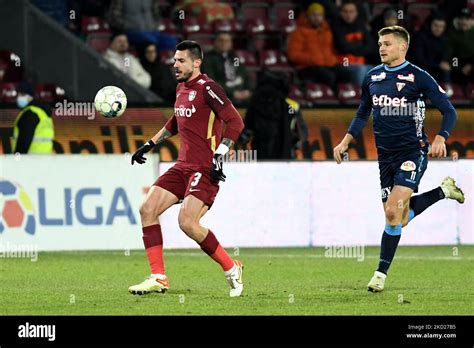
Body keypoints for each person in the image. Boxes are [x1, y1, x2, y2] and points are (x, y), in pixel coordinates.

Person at [333, 26, 465, 292]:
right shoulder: (372, 77)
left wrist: (441, 138)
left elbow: (449, 110)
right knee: (399, 219)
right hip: (385, 157)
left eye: (388, 44)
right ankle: (443, 192)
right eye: (380, 43)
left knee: (392, 212)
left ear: (403, 46)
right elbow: (362, 112)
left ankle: (379, 275)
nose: (381, 48)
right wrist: (347, 139)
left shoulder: (418, 76)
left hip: (412, 152)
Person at [128, 40, 245, 297]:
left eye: (181, 60)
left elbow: (235, 121)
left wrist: (221, 153)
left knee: (187, 223)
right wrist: (149, 143)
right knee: (147, 209)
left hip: (204, 168)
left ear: (196, 62)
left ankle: (231, 267)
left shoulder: (209, 88)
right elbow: (176, 121)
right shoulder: (181, 88)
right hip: (182, 166)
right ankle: (158, 277)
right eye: (174, 60)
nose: (175, 65)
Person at [287, 2, 355, 92]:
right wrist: (312, 59)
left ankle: (345, 99)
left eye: (319, 15)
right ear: (308, 16)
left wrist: (332, 59)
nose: (317, 18)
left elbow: (332, 50)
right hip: (306, 67)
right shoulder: (298, 32)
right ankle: (328, 100)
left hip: (327, 64)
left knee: (347, 74)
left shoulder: (327, 31)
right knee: (328, 76)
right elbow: (293, 55)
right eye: (314, 15)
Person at [241, 70, 307, 159]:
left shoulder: (256, 103)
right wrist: (296, 143)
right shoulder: (289, 106)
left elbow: (247, 129)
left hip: (261, 153)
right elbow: (300, 131)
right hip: (284, 152)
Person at [201, 32, 252, 106]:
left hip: (240, 91)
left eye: (227, 41)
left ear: (231, 43)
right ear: (215, 42)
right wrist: (232, 92)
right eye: (221, 40)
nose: (224, 43)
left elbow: (242, 73)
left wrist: (248, 90)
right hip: (222, 94)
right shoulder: (208, 59)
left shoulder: (235, 58)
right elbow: (211, 80)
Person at [331, 0, 376, 85]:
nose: (348, 15)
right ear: (340, 13)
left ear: (356, 13)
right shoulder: (336, 26)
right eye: (345, 12)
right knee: (361, 70)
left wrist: (354, 48)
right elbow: (342, 47)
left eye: (351, 12)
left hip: (360, 63)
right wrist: (360, 47)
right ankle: (360, 95)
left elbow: (371, 47)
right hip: (343, 62)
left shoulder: (361, 26)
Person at [12, 81, 54, 154]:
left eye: (22, 94)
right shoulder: (43, 113)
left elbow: (24, 142)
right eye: (18, 95)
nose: (18, 97)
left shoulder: (30, 114)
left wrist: (16, 161)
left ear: (30, 96)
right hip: (45, 160)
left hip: (29, 161)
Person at [411, 14, 451, 84]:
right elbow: (419, 60)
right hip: (421, 71)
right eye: (435, 25)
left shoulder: (445, 39)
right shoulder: (419, 37)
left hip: (438, 73)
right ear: (430, 25)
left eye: (441, 26)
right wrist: (438, 64)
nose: (438, 29)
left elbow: (448, 58)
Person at [447, 8, 474, 89]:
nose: (464, 22)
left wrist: (471, 65)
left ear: (471, 21)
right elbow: (452, 55)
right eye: (462, 19)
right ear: (458, 20)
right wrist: (459, 69)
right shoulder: (451, 34)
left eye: (467, 19)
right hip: (458, 64)